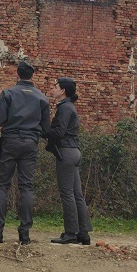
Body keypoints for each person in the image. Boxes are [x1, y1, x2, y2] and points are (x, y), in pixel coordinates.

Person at [0, 60, 50, 245]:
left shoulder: (8, 94)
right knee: (26, 187)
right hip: (30, 144)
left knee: (2, 186)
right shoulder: (42, 98)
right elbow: (46, 128)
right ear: (32, 75)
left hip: (9, 142)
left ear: (17, 74)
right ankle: (25, 234)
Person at [46, 77, 93, 245]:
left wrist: (42, 131)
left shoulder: (65, 108)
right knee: (77, 194)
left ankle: (71, 233)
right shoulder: (69, 106)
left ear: (63, 91)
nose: (52, 89)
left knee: (67, 194)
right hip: (74, 152)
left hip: (66, 152)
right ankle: (83, 234)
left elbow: (59, 132)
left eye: (55, 86)